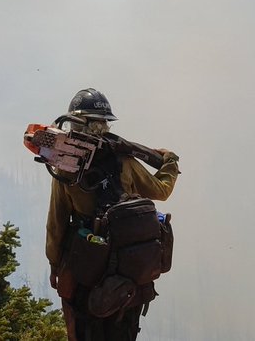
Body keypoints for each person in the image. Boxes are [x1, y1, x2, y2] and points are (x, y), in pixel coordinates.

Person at [46, 88, 181, 341]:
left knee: (84, 329)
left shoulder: (66, 168)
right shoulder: (125, 161)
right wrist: (170, 162)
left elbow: (57, 223)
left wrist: (54, 264)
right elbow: (161, 191)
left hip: (85, 269)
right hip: (127, 273)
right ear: (104, 123)